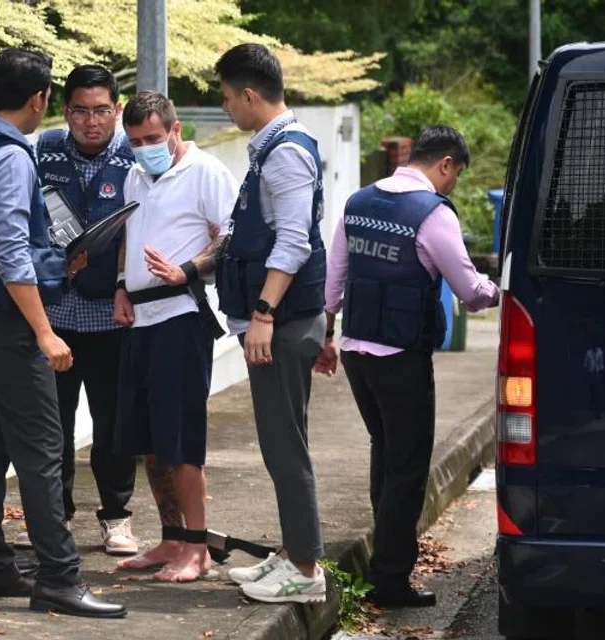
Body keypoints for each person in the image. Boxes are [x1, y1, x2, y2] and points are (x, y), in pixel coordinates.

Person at [0, 47, 125, 618]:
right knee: (44, 449)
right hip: (6, 324)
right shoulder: (11, 156)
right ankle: (60, 578)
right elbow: (9, 254)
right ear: (40, 98)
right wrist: (45, 332)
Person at [318, 125, 500, 608]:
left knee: (386, 451)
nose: (452, 185)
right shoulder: (431, 213)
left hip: (357, 352)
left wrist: (326, 335)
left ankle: (385, 562)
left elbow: (334, 279)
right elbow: (469, 289)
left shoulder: (358, 202)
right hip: (400, 357)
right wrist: (500, 290)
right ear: (445, 163)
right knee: (407, 465)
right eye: (454, 175)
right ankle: (391, 578)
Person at [212, 43, 329, 605]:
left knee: (285, 448)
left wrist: (263, 313)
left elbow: (294, 242)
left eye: (227, 98)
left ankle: (304, 569)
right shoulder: (274, 147)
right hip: (283, 321)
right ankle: (291, 551)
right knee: (283, 442)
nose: (227, 108)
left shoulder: (285, 153)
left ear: (250, 95)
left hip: (280, 324)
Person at [112, 91, 237, 582]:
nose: (145, 148)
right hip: (139, 318)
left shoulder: (206, 172)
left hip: (180, 317)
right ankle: (171, 538)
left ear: (175, 129)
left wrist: (188, 268)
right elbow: (127, 234)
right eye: (136, 141)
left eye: (153, 138)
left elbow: (231, 236)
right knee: (150, 440)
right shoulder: (134, 176)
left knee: (182, 439)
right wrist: (121, 287)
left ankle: (197, 548)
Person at [13, 65, 137, 556]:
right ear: (64, 111)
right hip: (55, 319)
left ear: (117, 110)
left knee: (113, 425)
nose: (91, 121)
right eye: (81, 111)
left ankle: (117, 517)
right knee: (52, 427)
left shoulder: (134, 156)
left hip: (112, 316)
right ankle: (53, 517)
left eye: (102, 110)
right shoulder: (42, 151)